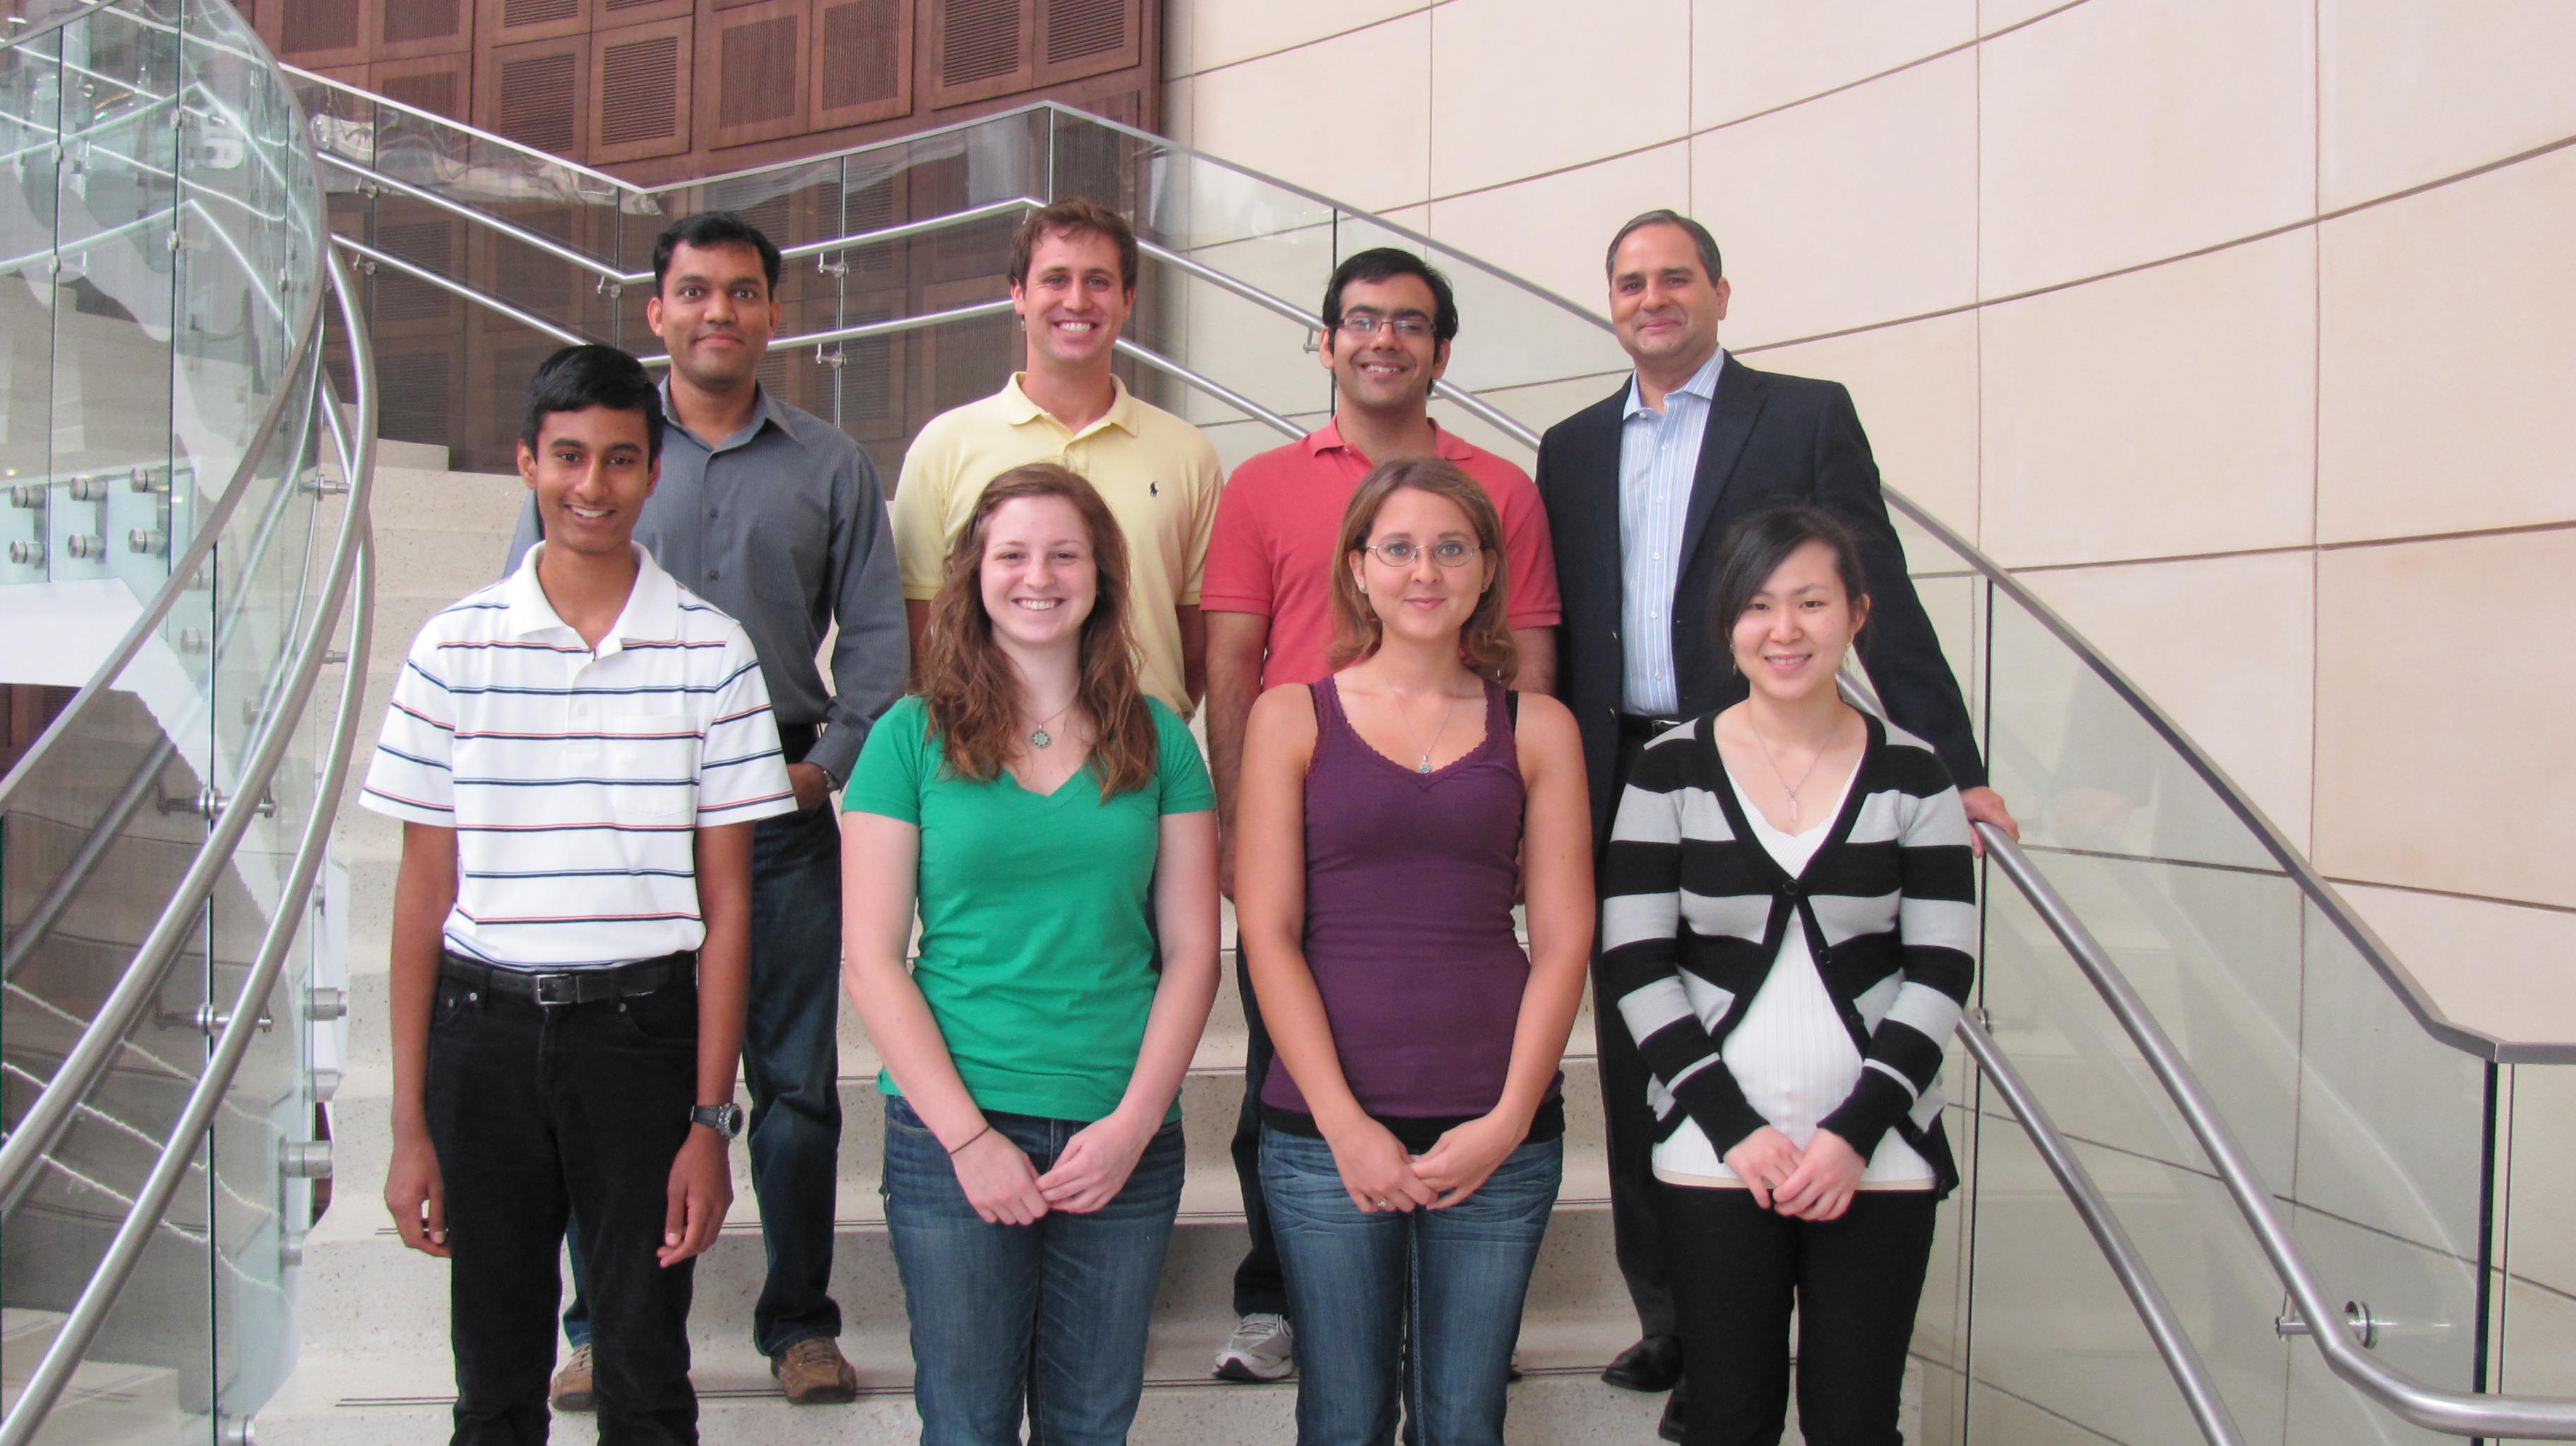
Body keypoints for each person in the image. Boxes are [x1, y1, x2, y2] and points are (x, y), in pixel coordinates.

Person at [1532, 209, 2012, 1437]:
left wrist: (1950, 763)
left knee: (1747, 982)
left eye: (1674, 278)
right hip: (1615, 760)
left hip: (1757, 740)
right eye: (1630, 282)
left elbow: (1876, 583)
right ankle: (1676, 1311)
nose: (1652, 299)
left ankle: (1739, 1318)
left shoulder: (1800, 415)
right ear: (1610, 301)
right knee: (1637, 1028)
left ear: (1720, 292)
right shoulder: (1570, 445)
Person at [505, 212, 904, 1407]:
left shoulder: (830, 463)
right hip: (624, 814)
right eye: (693, 291)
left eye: (739, 292)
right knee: (613, 1083)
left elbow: (877, 641)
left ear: (774, 313)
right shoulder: (606, 456)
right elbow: (531, 608)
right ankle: (603, 1325)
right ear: (656, 311)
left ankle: (800, 1325)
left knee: (794, 1089)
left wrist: (823, 766)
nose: (716, 311)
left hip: (778, 810)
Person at [371, 344, 797, 1444]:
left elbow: (730, 910)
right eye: (568, 457)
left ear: (654, 472)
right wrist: (410, 1123)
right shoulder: (451, 648)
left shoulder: (714, 653)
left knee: (645, 1379)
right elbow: (422, 896)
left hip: (641, 1042)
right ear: (526, 462)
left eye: (618, 459)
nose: (591, 486)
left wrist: (710, 1121)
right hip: (485, 1037)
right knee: (495, 1383)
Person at [1199, 246, 1565, 1382]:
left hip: (1456, 808)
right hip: (1314, 812)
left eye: (1410, 322)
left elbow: (1531, 663)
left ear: (1442, 351)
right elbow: (1231, 662)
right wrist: (1235, 824)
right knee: (1289, 1069)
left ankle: (1455, 1314)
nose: (1383, 340)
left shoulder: (1503, 490)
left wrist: (1510, 814)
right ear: (1325, 341)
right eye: (1361, 319)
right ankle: (1282, 1297)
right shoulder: (1262, 484)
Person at [840, 463, 1222, 1444]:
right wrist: (969, 1140)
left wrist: (1134, 1124)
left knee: (1091, 1422)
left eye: (1065, 554)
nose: (1038, 576)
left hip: (1121, 1129)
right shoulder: (908, 736)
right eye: (1012, 554)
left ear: (1103, 574)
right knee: (967, 1423)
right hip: (953, 1130)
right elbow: (872, 959)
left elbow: (1193, 952)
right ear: (974, 573)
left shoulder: (1161, 738)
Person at [1599, 504, 1975, 1446]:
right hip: (1714, 1149)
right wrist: (1734, 1127)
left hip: (1878, 1153)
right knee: (1728, 1419)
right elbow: (1637, 960)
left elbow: (1941, 967)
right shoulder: (1669, 771)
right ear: (1728, 623)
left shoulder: (1917, 776)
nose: (1785, 629)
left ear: (1857, 614)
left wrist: (1854, 1133)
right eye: (1759, 605)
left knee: (1857, 1425)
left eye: (1812, 602)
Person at [1235, 457, 1592, 1445]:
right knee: (1343, 1418)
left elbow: (1565, 936)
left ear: (1487, 570)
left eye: (1451, 548)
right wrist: (1344, 1123)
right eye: (1397, 548)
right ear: (1358, 568)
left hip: (1496, 1129)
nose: (1424, 571)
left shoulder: (1539, 728)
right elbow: (1267, 931)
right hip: (1324, 1135)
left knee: (1465, 1419)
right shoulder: (1291, 716)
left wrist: (1508, 1119)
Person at [891, 198, 1224, 718]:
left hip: (1141, 747)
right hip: (982, 748)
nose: (1077, 300)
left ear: (1128, 300)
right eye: (1055, 279)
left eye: (1098, 281)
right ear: (1018, 295)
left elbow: (1197, 640)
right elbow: (921, 631)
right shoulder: (943, 447)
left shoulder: (1189, 455)